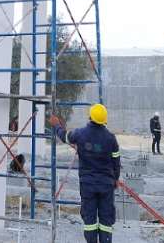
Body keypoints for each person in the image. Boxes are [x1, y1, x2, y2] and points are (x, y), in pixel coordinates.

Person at [49, 104, 120, 243]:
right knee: (106, 221)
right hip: (106, 185)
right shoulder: (111, 138)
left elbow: (64, 137)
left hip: (88, 185)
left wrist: (57, 125)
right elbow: (116, 162)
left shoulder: (80, 134)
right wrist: (115, 180)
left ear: (90, 117)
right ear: (104, 120)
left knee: (90, 221)